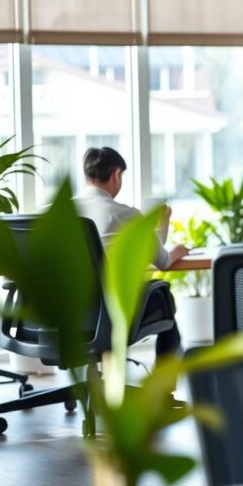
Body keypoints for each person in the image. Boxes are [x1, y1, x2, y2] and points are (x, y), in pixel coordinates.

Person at [73, 147, 186, 358]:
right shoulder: (124, 214)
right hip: (108, 316)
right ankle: (164, 384)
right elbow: (162, 260)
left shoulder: (50, 214)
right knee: (162, 295)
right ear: (116, 174)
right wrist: (167, 231)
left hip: (60, 315)